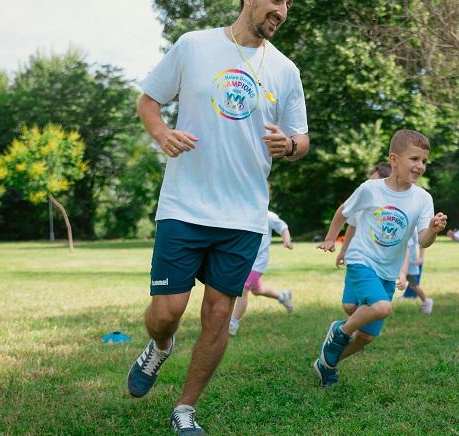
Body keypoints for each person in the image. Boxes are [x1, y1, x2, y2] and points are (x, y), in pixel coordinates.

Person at [126, 0, 309, 433]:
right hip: (184, 204)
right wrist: (162, 133)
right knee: (167, 311)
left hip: (244, 215)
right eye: (276, 0)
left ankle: (185, 408)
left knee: (218, 313)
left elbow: (301, 138)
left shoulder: (286, 71)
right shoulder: (194, 46)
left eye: (288, 4)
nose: (281, 10)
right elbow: (148, 101)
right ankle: (160, 345)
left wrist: (291, 146)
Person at [314, 129, 447, 387]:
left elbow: (422, 241)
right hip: (361, 259)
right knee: (381, 308)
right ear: (394, 159)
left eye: (424, 161)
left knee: (366, 337)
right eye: (414, 159)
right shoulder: (370, 189)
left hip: (388, 270)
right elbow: (344, 211)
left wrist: (432, 229)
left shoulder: (423, 199)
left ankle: (327, 364)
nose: (420, 166)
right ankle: (339, 333)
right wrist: (332, 238)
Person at [229, 211, 294, 336]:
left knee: (243, 289)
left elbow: (283, 226)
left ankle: (233, 322)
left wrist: (287, 240)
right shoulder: (242, 213)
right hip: (243, 260)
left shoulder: (268, 216)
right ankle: (283, 296)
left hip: (258, 262)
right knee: (257, 290)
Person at [334, 162, 392, 268]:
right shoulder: (362, 202)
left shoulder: (393, 208)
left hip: (384, 262)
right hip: (361, 258)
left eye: (374, 181)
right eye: (369, 180)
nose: (369, 184)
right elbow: (352, 226)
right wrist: (343, 252)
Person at [398, 233, 434, 314]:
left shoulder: (414, 227)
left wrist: (421, 257)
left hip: (411, 262)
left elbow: (422, 243)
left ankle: (427, 301)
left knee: (413, 286)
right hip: (399, 261)